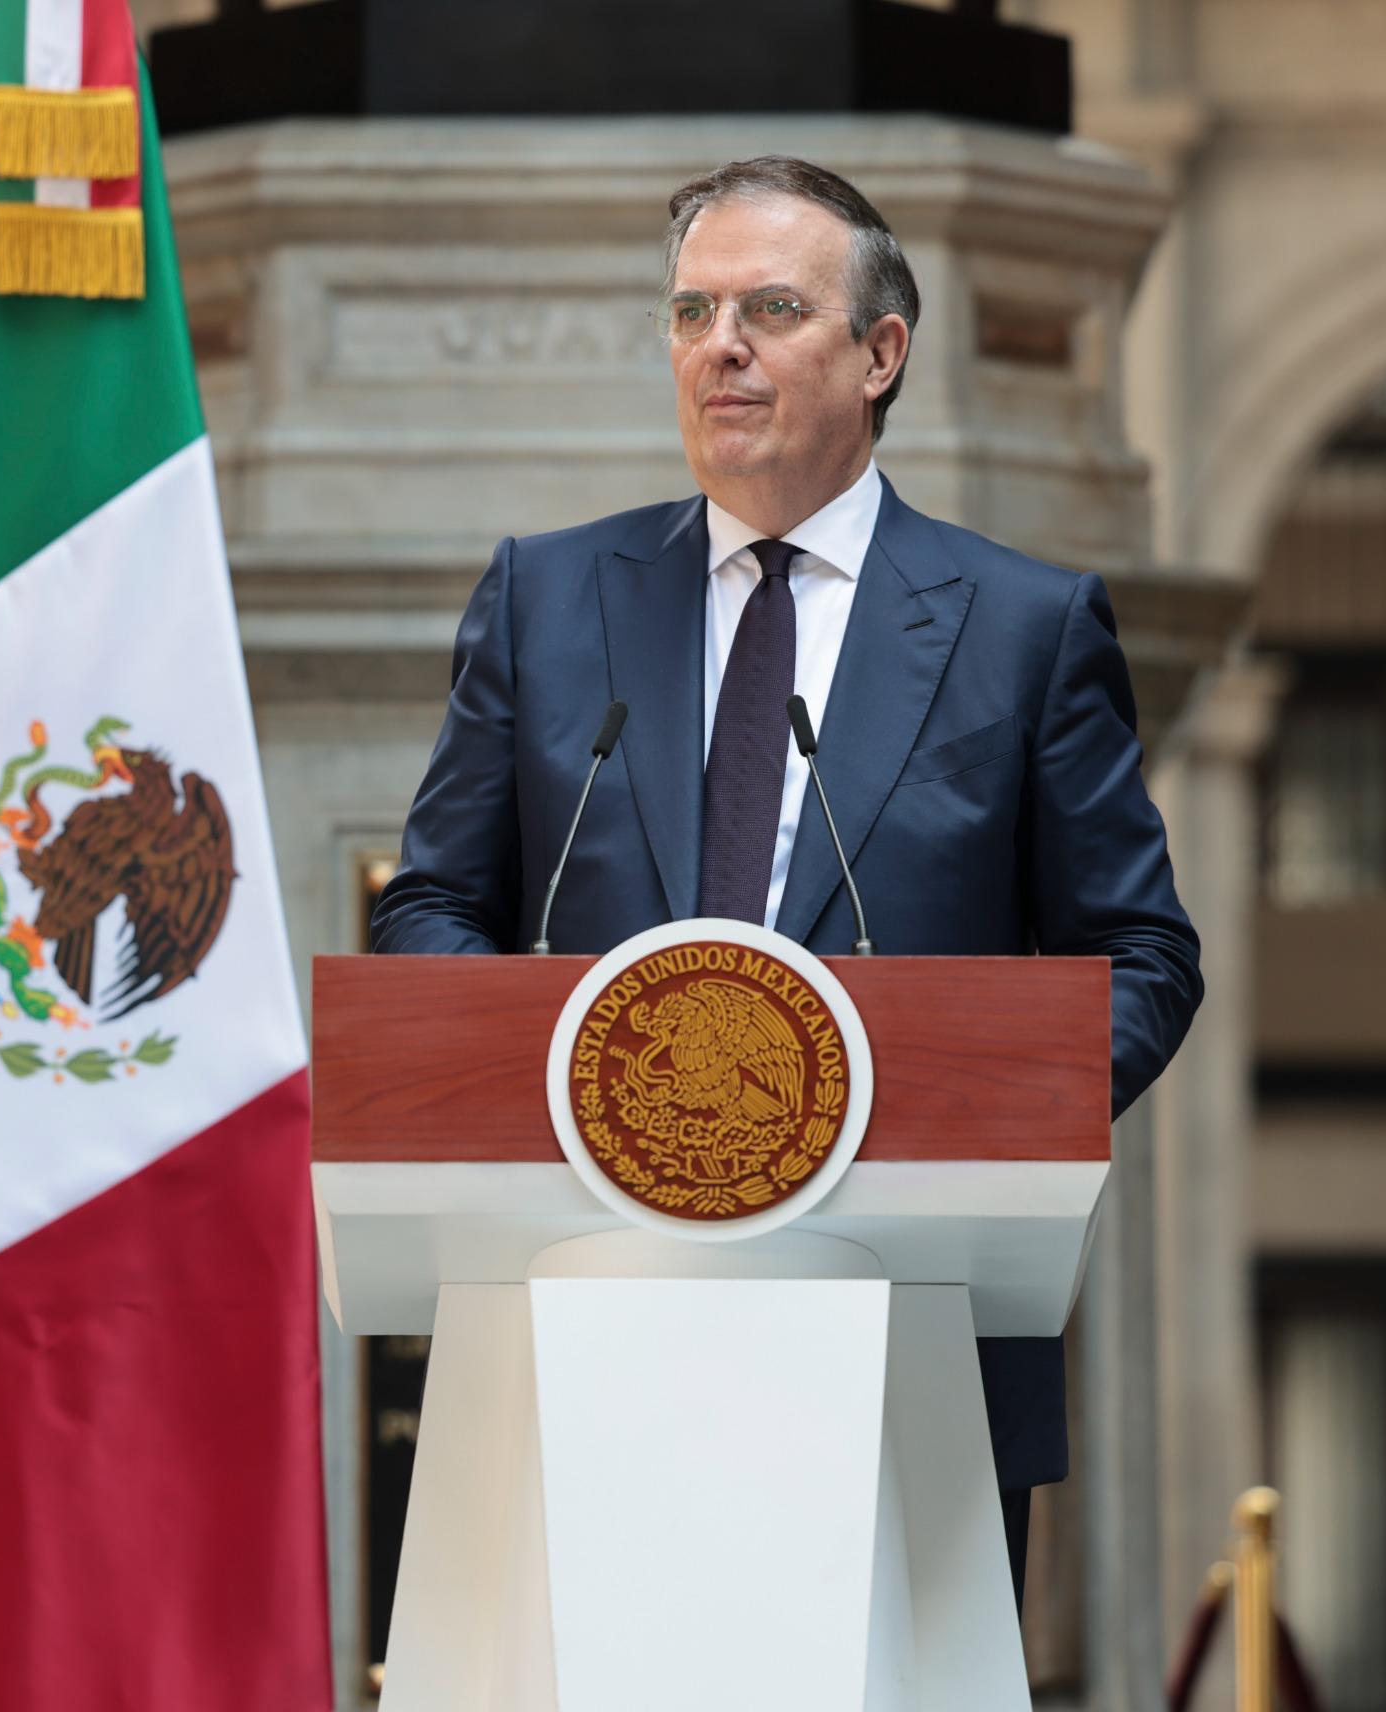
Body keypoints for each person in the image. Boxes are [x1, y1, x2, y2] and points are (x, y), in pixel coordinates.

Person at [370, 156, 1202, 1603]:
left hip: (905, 1327)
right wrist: (568, 1085)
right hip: (585, 1306)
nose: (722, 347)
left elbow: (1142, 954)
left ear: (880, 353)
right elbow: (433, 905)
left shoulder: (1023, 627)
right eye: (691, 313)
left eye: (769, 309)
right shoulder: (547, 600)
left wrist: (959, 1119)